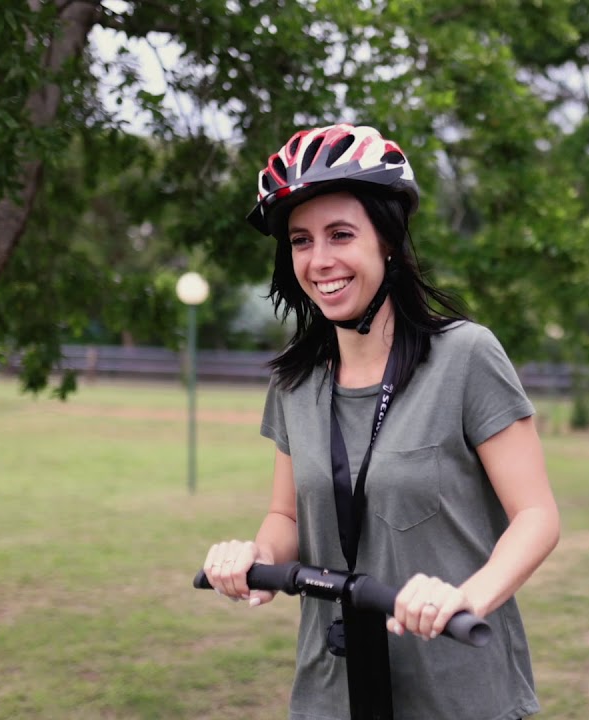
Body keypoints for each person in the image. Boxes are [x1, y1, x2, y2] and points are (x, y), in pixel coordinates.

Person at [201, 123, 560, 720]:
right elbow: (287, 515)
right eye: (300, 241)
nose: (319, 261)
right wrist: (253, 557)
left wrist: (462, 598)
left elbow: (537, 517)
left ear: (387, 241)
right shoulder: (295, 381)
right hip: (331, 692)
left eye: (341, 234)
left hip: (457, 689)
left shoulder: (466, 357)